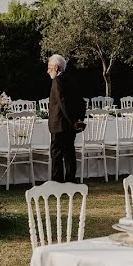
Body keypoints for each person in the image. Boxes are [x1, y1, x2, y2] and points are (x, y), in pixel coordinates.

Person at [46, 54, 86, 183]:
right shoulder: (71, 80)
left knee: (57, 154)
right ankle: (70, 180)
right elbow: (81, 101)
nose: (48, 71)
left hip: (59, 124)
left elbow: (62, 102)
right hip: (69, 124)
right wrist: (79, 119)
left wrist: (73, 121)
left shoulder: (57, 80)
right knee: (69, 154)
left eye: (50, 68)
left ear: (56, 68)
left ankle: (57, 182)